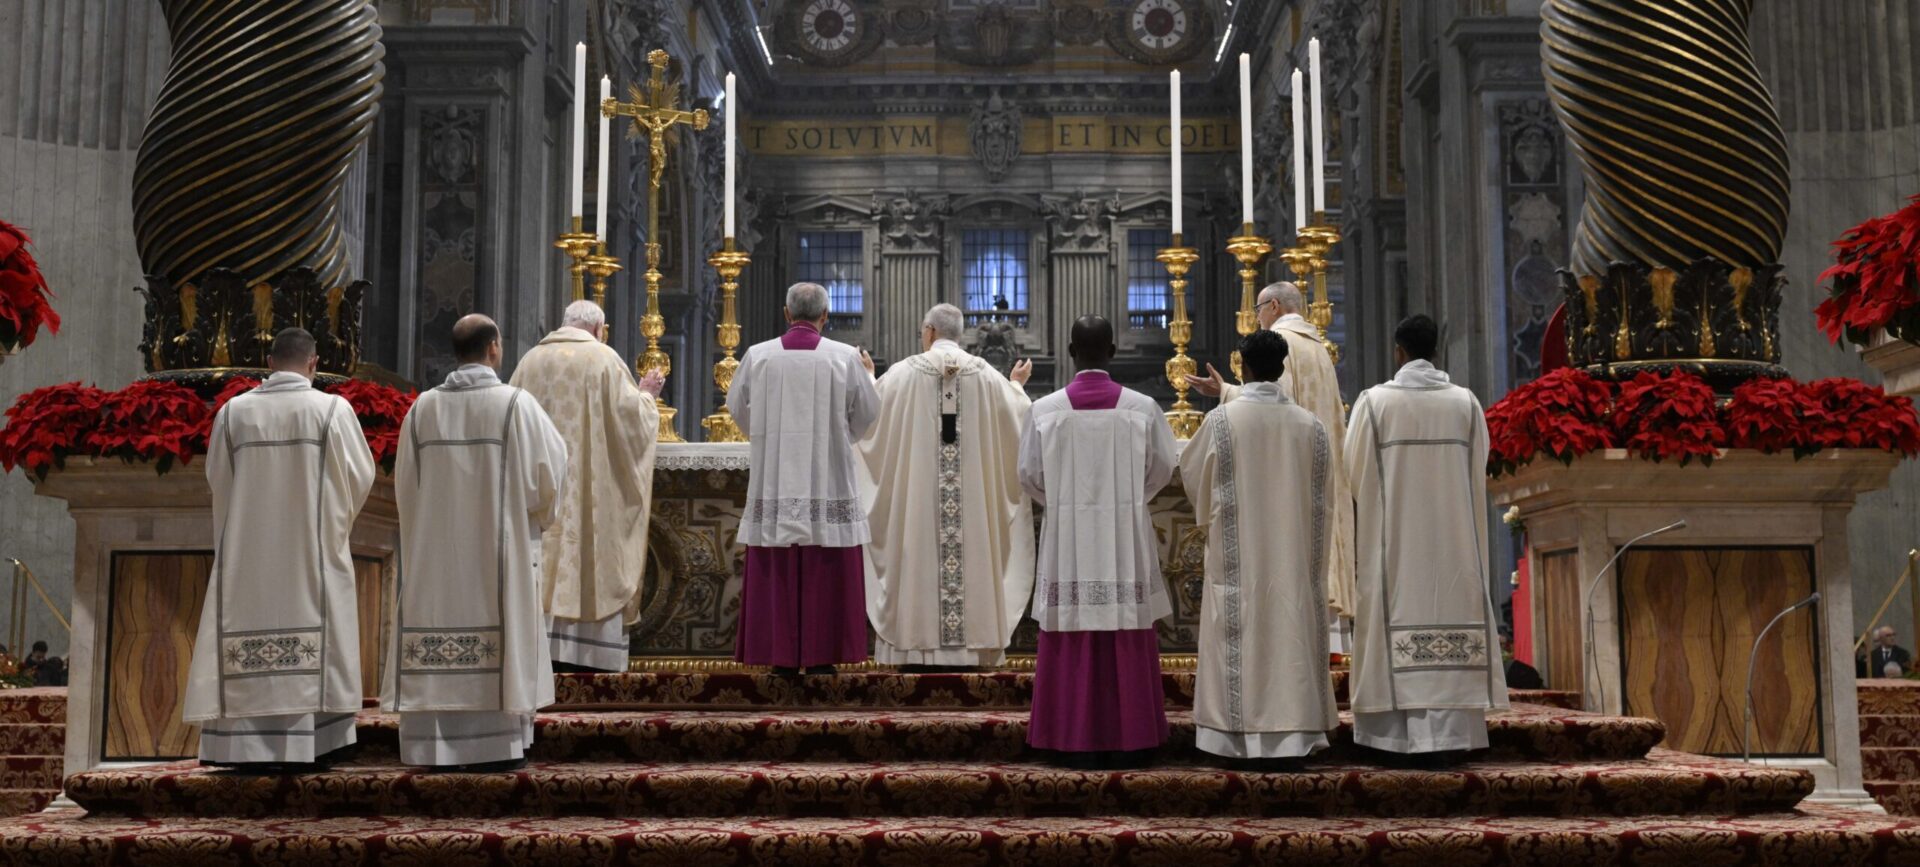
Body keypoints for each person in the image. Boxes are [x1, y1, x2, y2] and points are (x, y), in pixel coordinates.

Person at [183, 328, 375, 772]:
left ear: (268, 363)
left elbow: (219, 480)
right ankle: (311, 742)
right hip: (311, 556)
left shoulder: (232, 414)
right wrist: (331, 525)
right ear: (314, 363)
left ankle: (240, 748)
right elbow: (359, 479)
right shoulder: (331, 411)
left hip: (247, 560)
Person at [384, 314, 568, 771]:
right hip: (499, 554)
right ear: (494, 348)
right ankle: (494, 745)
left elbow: (405, 487)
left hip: (435, 561)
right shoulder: (515, 406)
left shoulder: (422, 408)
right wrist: (537, 520)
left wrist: (425, 531)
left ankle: (434, 746)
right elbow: (551, 478)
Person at [1344, 315, 1507, 767]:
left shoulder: (1374, 403)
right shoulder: (1466, 404)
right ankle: (1453, 733)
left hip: (1394, 540)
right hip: (1453, 542)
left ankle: (1395, 740)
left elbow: (1354, 472)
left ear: (1398, 350)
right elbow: (1479, 467)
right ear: (1437, 349)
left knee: (1394, 605)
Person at [1018, 315, 1178, 769]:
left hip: (1067, 536)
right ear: (1112, 351)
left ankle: (1067, 733)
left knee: (1072, 627)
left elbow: (1029, 475)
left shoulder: (1045, 410)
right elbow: (1164, 468)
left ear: (1070, 352)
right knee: (1125, 626)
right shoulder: (1143, 407)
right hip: (1123, 535)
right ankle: (1134, 734)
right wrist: (1126, 500)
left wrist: (1064, 503)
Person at [1179, 330, 1337, 769]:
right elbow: (1324, 495)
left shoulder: (1222, 422)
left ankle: (1234, 738)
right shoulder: (1312, 426)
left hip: (1239, 566)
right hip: (1291, 556)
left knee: (1240, 628)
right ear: (1282, 367)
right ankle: (1296, 731)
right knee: (1291, 626)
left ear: (1242, 367)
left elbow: (1193, 477)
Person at [858, 303, 1035, 671]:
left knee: (915, 548)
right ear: (961, 334)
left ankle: (914, 648)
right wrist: (1016, 385)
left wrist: (870, 378)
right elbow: (1020, 418)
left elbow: (867, 424)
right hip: (971, 511)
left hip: (918, 509)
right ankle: (973, 648)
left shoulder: (902, 374)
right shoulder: (987, 375)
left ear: (929, 332)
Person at [1186, 282, 1356, 654]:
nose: (1255, 318)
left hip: (1282, 478)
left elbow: (1273, 410)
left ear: (1275, 306)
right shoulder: (1318, 347)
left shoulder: (1283, 341)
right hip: (1315, 469)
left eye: (1259, 308)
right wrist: (1229, 391)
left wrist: (1227, 395)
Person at [729, 283, 881, 676]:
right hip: (827, 475)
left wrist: (765, 437)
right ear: (825, 316)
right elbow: (867, 413)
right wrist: (840, 437)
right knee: (824, 558)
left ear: (786, 313)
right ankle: (823, 655)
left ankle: (779, 654)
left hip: (774, 477)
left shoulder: (757, 356)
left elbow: (736, 408)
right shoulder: (845, 358)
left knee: (779, 558)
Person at [509, 300, 663, 673]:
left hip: (541, 493)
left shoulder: (530, 361)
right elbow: (633, 421)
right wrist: (648, 396)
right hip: (591, 495)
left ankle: (539, 650)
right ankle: (590, 657)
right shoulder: (604, 360)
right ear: (598, 329)